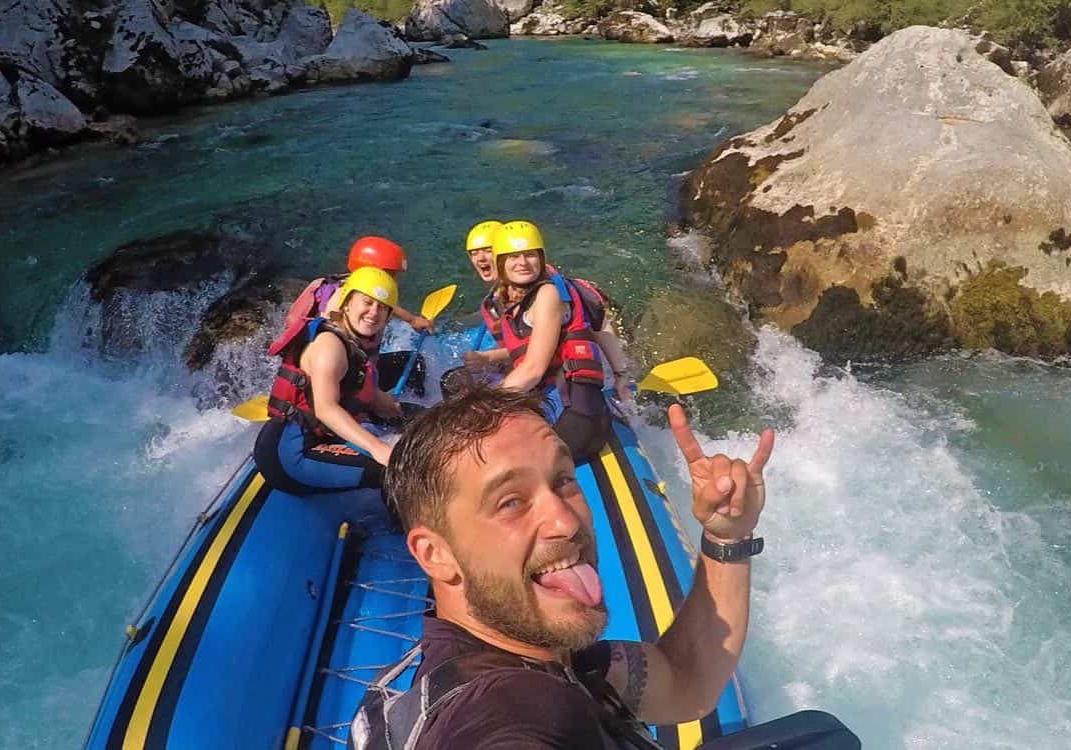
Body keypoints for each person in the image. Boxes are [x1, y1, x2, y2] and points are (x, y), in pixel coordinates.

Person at [351, 387, 775, 749]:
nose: (566, 521)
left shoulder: (535, 653)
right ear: (434, 554)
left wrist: (726, 538)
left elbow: (687, 682)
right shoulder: (512, 708)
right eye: (510, 502)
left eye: (563, 481)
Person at [471, 220, 634, 460]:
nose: (523, 262)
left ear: (541, 257)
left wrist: (484, 406)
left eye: (530, 255)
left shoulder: (548, 294)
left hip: (578, 417)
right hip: (554, 405)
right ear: (501, 264)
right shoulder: (511, 304)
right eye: (513, 257)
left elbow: (533, 369)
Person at [253, 267, 404, 494]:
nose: (373, 312)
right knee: (396, 471)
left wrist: (381, 402)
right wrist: (378, 448)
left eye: (382, 307)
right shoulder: (329, 346)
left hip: (315, 437)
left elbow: (350, 388)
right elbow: (325, 409)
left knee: (413, 420)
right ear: (347, 303)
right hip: (292, 456)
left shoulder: (351, 342)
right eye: (367, 302)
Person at [269, 236, 430, 394]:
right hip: (336, 381)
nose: (396, 283)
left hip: (344, 371)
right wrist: (376, 399)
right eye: (392, 276)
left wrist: (412, 319)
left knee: (414, 362)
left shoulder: (352, 289)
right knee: (415, 364)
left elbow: (388, 305)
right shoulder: (337, 307)